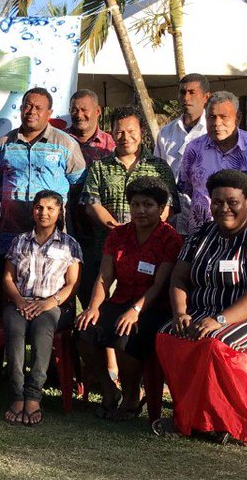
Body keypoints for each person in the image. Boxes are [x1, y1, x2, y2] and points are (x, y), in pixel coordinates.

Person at [153, 169, 247, 446]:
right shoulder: (201, 234)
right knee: (168, 335)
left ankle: (225, 421)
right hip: (204, 314)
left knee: (215, 344)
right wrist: (180, 312)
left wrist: (221, 319)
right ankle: (189, 417)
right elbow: (178, 278)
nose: (224, 208)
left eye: (232, 202)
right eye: (217, 202)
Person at [76, 177, 182, 421]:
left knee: (126, 336)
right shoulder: (118, 235)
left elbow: (159, 283)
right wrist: (93, 307)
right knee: (84, 331)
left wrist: (135, 310)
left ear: (161, 208)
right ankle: (109, 390)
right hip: (121, 299)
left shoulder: (170, 239)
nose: (140, 211)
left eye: (148, 205)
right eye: (135, 205)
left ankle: (132, 397)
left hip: (153, 307)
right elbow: (104, 276)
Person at [0, 87, 85, 315]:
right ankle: (9, 349)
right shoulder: (3, 144)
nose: (31, 111)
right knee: (8, 307)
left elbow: (79, 182)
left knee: (55, 308)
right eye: (27, 106)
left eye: (38, 108)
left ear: (49, 112)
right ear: (21, 109)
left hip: (53, 243)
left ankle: (52, 348)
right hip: (12, 235)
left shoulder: (65, 144)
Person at [0, 191, 80, 426]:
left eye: (50, 208)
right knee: (14, 329)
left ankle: (33, 395)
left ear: (59, 212)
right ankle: (16, 393)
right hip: (20, 302)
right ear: (33, 210)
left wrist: (49, 303)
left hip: (52, 305)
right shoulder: (20, 240)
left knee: (43, 329)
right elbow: (7, 278)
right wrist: (20, 301)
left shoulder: (69, 244)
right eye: (39, 208)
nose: (43, 213)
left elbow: (73, 283)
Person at [82, 105, 178, 257]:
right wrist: (120, 231)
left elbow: (168, 206)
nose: (125, 137)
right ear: (111, 133)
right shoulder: (99, 167)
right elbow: (91, 204)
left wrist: (141, 232)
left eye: (131, 131)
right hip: (108, 248)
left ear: (142, 131)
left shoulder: (159, 167)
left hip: (150, 249)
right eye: (119, 132)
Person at [177, 90, 247, 234]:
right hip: (201, 237)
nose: (216, 123)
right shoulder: (193, 149)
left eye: (223, 117)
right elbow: (187, 188)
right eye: (211, 117)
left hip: (244, 237)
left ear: (237, 118)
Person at [64, 90, 115, 304]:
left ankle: (92, 334)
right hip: (65, 224)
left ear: (98, 111)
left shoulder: (111, 146)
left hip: (97, 229)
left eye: (84, 109)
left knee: (93, 291)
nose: (79, 114)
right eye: (74, 110)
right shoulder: (61, 141)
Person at [154, 73, 210, 174]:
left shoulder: (213, 131)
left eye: (192, 92)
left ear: (205, 97)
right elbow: (157, 170)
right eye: (183, 92)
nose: (186, 98)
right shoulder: (165, 133)